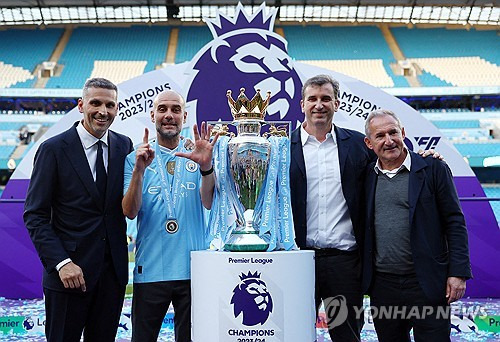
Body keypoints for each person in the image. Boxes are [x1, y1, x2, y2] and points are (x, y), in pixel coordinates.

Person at [23, 78, 133, 341]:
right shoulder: (52, 149)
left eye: (110, 105)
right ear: (81, 105)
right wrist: (62, 263)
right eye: (95, 103)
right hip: (68, 275)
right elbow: (35, 215)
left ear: (117, 109)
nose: (103, 111)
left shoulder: (124, 146)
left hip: (112, 275)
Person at [362, 109, 472, 342]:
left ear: (403, 133)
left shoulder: (433, 168)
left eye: (393, 132)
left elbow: (454, 221)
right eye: (380, 136)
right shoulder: (365, 176)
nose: (389, 141)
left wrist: (458, 273)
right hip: (384, 287)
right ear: (369, 143)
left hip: (427, 283)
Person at [122, 90, 217, 342]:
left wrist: (206, 168)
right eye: (162, 109)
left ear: (184, 116)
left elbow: (208, 203)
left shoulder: (197, 154)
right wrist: (139, 172)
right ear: (152, 115)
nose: (169, 115)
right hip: (151, 269)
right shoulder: (136, 158)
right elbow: (129, 211)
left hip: (193, 270)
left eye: (175, 110)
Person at [290, 74, 373, 341]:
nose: (319, 105)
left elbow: (392, 165)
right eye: (312, 99)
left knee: (346, 335)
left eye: (325, 98)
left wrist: (429, 159)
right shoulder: (283, 148)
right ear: (301, 104)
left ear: (336, 104)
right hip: (299, 261)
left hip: (344, 263)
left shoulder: (360, 146)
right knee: (295, 334)